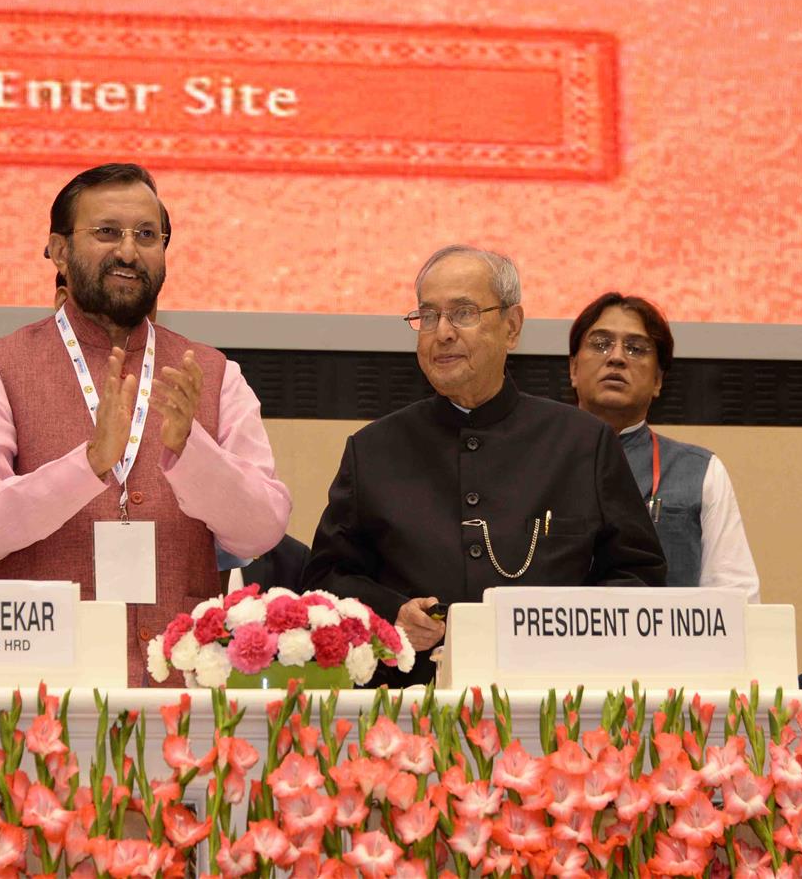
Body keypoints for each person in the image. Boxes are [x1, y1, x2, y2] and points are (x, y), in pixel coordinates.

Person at [0, 162, 291, 684]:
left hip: (184, 689)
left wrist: (191, 450)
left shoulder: (213, 373)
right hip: (42, 689)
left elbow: (261, 529)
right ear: (58, 250)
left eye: (147, 235)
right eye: (107, 232)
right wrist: (87, 465)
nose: (128, 251)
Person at [303, 245, 667, 685]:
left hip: (552, 698)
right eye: (428, 315)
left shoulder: (582, 443)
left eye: (463, 312)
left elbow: (638, 576)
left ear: (511, 327)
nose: (443, 333)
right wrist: (389, 612)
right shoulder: (373, 449)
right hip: (409, 704)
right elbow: (326, 578)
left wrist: (565, 630)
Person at [568, 293, 760, 600]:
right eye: (601, 343)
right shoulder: (533, 460)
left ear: (658, 380)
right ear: (574, 369)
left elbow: (736, 598)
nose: (616, 357)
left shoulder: (700, 471)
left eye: (636, 348)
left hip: (668, 648)